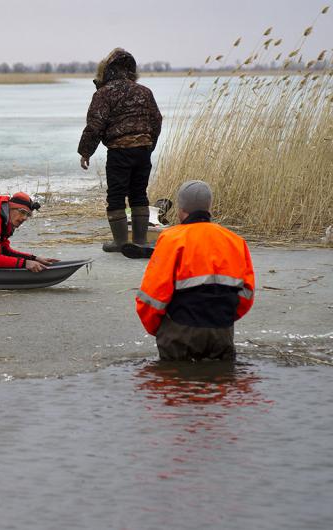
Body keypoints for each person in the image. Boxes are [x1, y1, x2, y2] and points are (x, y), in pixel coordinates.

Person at [135, 180, 255, 361]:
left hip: (179, 332)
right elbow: (247, 293)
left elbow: (152, 297)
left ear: (180, 208)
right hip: (221, 332)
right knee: (220, 384)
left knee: (176, 382)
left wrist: (160, 331)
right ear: (209, 206)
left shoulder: (171, 239)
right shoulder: (234, 241)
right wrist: (223, 320)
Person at [78, 48, 162, 253]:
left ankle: (121, 242)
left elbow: (95, 126)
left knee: (116, 196)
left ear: (107, 71)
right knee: (139, 193)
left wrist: (85, 152)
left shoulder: (103, 93)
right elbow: (156, 120)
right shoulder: (144, 91)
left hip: (119, 151)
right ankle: (141, 241)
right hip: (143, 149)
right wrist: (150, 145)